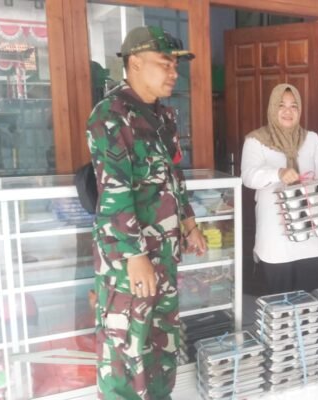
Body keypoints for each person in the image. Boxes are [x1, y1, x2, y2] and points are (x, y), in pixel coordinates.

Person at [86, 26, 207, 399]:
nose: (173, 72)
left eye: (175, 65)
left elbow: (174, 175)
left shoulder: (163, 117)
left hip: (163, 252)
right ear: (135, 63)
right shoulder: (110, 115)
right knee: (126, 346)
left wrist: (189, 223)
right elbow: (114, 192)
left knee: (162, 340)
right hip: (128, 260)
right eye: (165, 63)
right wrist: (135, 256)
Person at [241, 83, 318, 295]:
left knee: (311, 301)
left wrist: (311, 187)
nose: (288, 111)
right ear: (273, 108)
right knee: (280, 303)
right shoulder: (256, 140)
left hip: (311, 235)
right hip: (276, 238)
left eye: (294, 106)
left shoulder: (311, 139)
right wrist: (278, 173)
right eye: (281, 105)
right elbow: (248, 176)